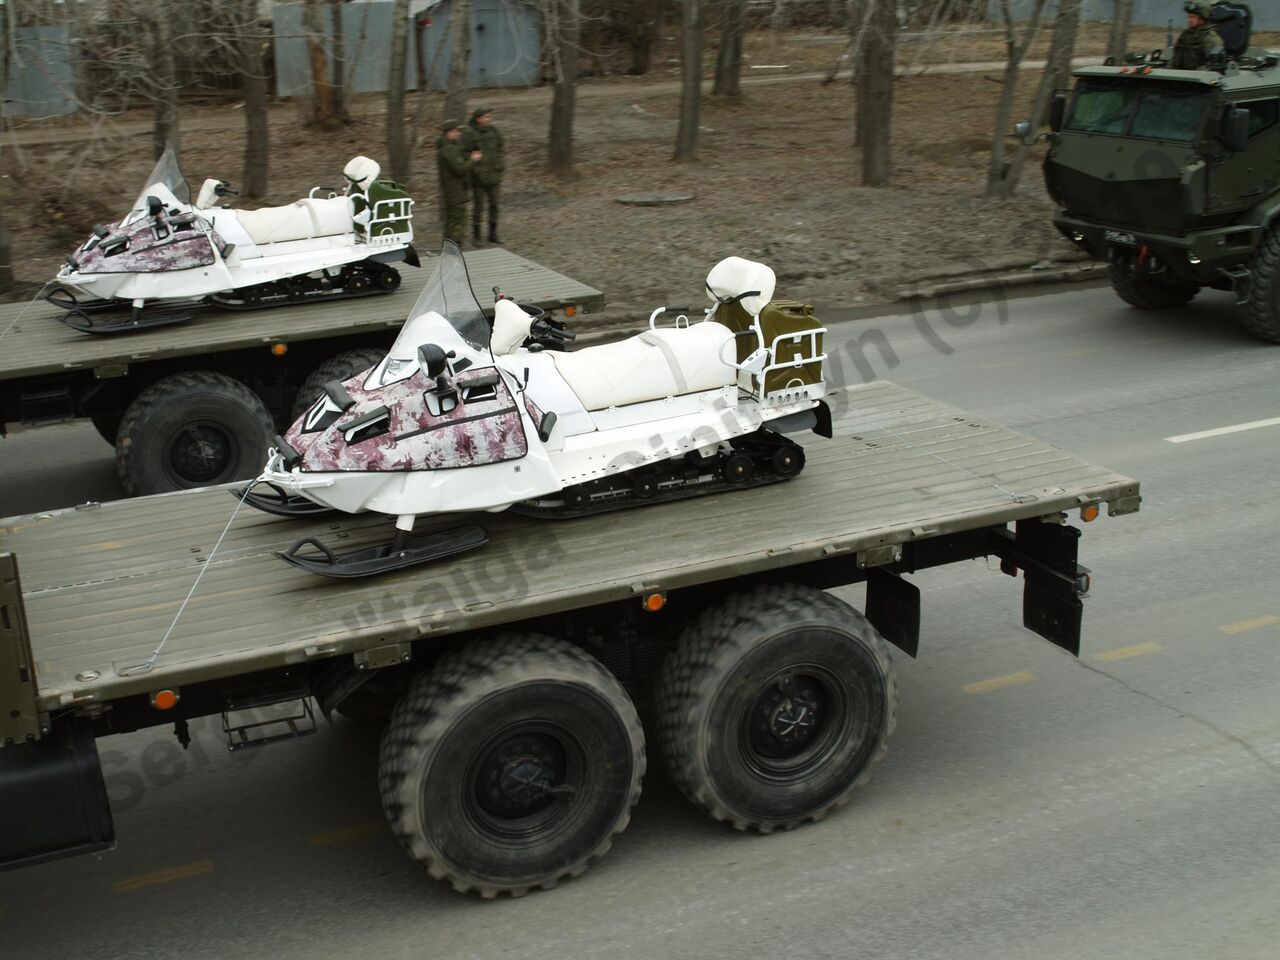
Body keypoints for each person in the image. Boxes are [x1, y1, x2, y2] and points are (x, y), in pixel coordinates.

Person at [463, 107, 505, 245]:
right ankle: (477, 236)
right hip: (478, 179)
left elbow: (500, 149)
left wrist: (500, 165)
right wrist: (477, 171)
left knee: (495, 205)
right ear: (478, 119)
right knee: (478, 208)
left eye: (489, 116)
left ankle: (493, 234)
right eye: (486, 117)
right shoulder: (470, 134)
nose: (489, 119)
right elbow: (467, 154)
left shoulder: (494, 131)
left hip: (494, 176)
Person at [436, 118, 481, 246]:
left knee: (453, 220)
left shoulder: (449, 148)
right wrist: (473, 160)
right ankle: (454, 247)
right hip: (455, 191)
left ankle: (451, 246)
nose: (459, 134)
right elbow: (460, 169)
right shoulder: (449, 150)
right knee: (456, 220)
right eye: (456, 131)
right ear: (449, 132)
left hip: (455, 190)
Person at [1172, 1, 1223, 70]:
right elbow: (1175, 57)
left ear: (1202, 19)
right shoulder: (1185, 35)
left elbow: (1212, 64)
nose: (1189, 20)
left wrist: (1195, 74)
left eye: (1192, 17)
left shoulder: (1210, 38)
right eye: (1188, 17)